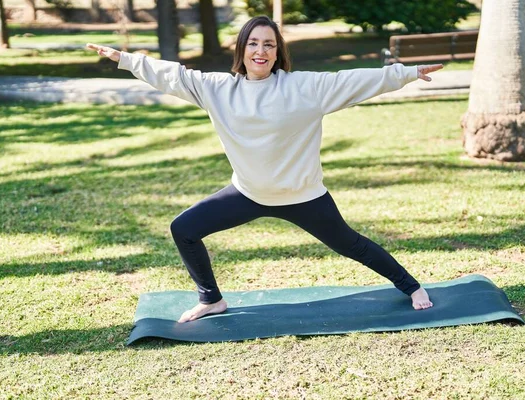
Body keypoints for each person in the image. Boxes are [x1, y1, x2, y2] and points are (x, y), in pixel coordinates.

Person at [86, 15, 442, 323]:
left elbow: (353, 80)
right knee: (184, 228)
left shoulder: (304, 87)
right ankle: (211, 299)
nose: (261, 51)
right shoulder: (218, 89)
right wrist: (125, 58)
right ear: (241, 49)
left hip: (303, 196)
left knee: (352, 245)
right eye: (253, 43)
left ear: (278, 51)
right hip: (248, 192)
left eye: (269, 44)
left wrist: (406, 73)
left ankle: (411, 287)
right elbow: (173, 75)